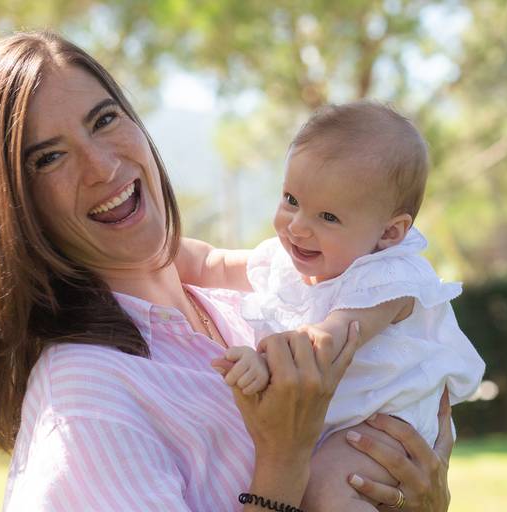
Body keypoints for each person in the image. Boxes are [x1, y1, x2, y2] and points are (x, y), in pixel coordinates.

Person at [0, 31, 454, 511]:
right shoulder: (85, 399)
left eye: (104, 120)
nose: (102, 166)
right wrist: (283, 460)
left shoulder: (240, 308)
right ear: (15, 206)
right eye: (49, 158)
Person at [177, 102, 485, 509]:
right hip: (330, 419)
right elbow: (208, 263)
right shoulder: (285, 259)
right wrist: (151, 251)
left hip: (380, 425)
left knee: (326, 486)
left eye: (328, 216)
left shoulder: (389, 278)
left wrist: (262, 362)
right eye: (291, 199)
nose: (298, 226)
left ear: (389, 232)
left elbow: (326, 342)